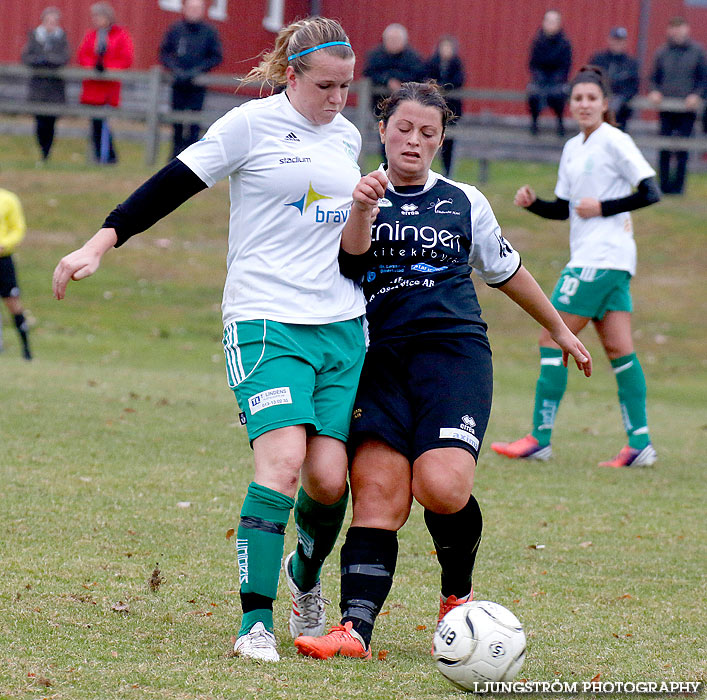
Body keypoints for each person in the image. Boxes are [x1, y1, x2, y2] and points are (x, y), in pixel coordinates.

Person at [54, 17, 369, 663]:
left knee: (329, 481)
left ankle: (303, 577)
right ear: (291, 74)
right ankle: (255, 624)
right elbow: (168, 186)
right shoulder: (247, 127)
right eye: (326, 86)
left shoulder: (346, 136)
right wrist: (99, 242)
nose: (337, 99)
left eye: (346, 87)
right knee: (280, 464)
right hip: (264, 320)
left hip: (340, 327)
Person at [291, 81, 592, 660]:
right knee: (379, 497)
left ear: (441, 140)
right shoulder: (353, 194)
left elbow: (506, 270)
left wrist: (557, 328)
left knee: (442, 487)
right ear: (381, 129)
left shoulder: (464, 200)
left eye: (428, 133)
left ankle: (457, 596)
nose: (414, 140)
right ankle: (354, 630)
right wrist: (361, 206)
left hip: (453, 359)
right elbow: (350, 263)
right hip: (377, 359)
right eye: (403, 128)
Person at [491, 66, 661, 468]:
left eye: (591, 98)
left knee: (552, 340)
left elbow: (650, 191)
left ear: (605, 104)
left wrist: (605, 207)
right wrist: (534, 205)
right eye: (578, 98)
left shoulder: (615, 141)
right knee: (620, 350)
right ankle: (640, 444)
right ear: (570, 105)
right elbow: (566, 210)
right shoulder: (572, 148)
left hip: (600, 260)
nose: (584, 104)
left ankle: (539, 438)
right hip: (604, 262)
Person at [648, 16, 706, 195]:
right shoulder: (662, 52)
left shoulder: (697, 52)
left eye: (680, 27)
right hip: (666, 107)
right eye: (674, 28)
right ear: (669, 31)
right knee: (664, 147)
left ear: (687, 29)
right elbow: (653, 78)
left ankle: (678, 187)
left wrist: (696, 95)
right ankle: (663, 185)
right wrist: (654, 91)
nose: (677, 31)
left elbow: (703, 79)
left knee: (683, 148)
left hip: (687, 109)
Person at [159, 0, 223, 159]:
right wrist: (176, 70)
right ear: (185, 9)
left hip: (198, 85)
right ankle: (174, 157)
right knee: (176, 121)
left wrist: (197, 71)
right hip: (178, 82)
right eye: (191, 8)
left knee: (194, 122)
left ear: (202, 10)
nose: (194, 11)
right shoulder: (176, 29)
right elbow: (164, 53)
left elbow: (216, 56)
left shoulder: (209, 32)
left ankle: (192, 158)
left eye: (197, 8)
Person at [77, 2, 134, 164]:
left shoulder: (120, 35)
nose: (97, 20)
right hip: (93, 87)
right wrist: (93, 67)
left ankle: (108, 156)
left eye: (100, 16)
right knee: (95, 123)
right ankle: (99, 156)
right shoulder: (91, 35)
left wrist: (108, 69)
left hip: (108, 87)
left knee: (105, 123)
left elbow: (126, 59)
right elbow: (83, 55)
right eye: (95, 17)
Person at [364, 23, 425, 158]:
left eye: (396, 40)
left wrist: (400, 83)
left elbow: (419, 75)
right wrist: (387, 81)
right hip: (380, 105)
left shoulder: (413, 57)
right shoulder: (375, 56)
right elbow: (369, 73)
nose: (393, 43)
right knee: (384, 134)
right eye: (390, 40)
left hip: (405, 106)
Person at [21, 7, 70, 161]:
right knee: (39, 122)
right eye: (48, 21)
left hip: (55, 89)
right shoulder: (35, 37)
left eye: (54, 21)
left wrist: (48, 60)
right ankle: (42, 150)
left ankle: (46, 154)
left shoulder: (62, 39)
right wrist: (41, 61)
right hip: (38, 88)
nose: (51, 24)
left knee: (51, 123)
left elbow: (63, 58)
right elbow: (26, 57)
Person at [527, 9, 572, 137]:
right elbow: (532, 64)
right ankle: (534, 125)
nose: (551, 25)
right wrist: (539, 76)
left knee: (558, 95)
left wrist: (557, 78)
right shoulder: (537, 42)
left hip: (557, 80)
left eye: (554, 22)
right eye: (548, 21)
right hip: (540, 79)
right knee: (534, 94)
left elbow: (566, 66)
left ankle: (560, 125)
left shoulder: (564, 44)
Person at [425, 35, 465, 177]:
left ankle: (448, 171)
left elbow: (458, 81)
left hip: (451, 108)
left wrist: (444, 87)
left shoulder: (457, 64)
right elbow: (427, 79)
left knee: (449, 141)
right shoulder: (432, 63)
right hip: (433, 107)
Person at [0, 188, 32, 360]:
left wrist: (4, 244)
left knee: (13, 303)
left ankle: (26, 350)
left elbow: (17, 228)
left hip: (2, 259)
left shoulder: (8, 199)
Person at [589, 27, 640, 132]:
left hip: (621, 113)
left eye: (620, 41)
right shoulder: (598, 60)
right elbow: (590, 80)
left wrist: (621, 98)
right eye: (615, 40)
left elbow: (634, 86)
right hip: (598, 110)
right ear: (609, 40)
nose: (617, 43)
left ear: (625, 42)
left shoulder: (631, 64)